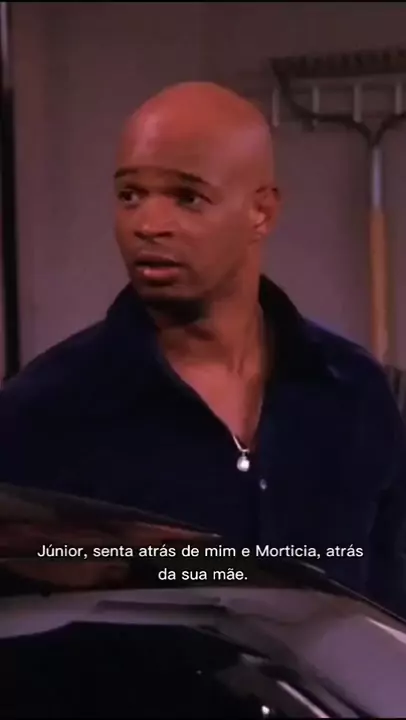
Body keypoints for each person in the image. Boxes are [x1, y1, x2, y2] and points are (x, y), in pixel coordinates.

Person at [0, 81, 405, 616]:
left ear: (261, 212)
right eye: (130, 195)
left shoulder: (354, 392)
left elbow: (390, 610)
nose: (148, 225)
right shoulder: (41, 412)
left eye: (187, 197)